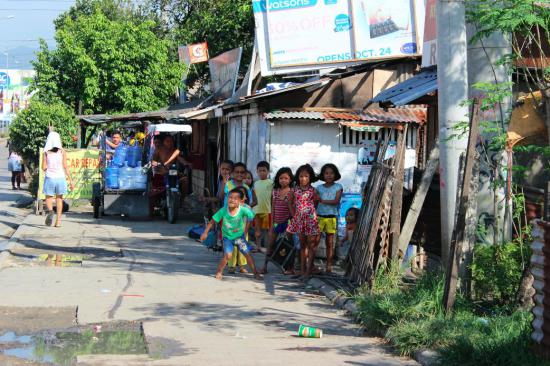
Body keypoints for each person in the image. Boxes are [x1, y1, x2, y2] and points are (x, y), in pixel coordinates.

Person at [200, 188, 262, 280]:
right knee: (228, 256)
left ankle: (255, 273)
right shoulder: (223, 210)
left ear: (241, 201)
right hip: (227, 238)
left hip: (240, 238)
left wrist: (256, 229)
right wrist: (205, 233)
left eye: (235, 198)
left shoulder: (243, 210)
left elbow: (253, 216)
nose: (232, 200)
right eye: (230, 197)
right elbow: (212, 221)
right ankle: (219, 271)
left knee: (247, 254)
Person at [287, 164, 319, 279]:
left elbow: (315, 204)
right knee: (302, 246)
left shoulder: (313, 190)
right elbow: (290, 203)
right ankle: (302, 271)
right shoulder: (294, 190)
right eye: (301, 176)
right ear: (298, 177)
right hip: (299, 220)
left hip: (311, 220)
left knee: (311, 245)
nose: (303, 178)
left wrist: (309, 213)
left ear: (310, 177)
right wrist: (294, 215)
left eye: (306, 176)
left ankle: (308, 272)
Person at [260, 167, 293, 274]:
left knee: (288, 246)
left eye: (286, 178)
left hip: (287, 223)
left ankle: (288, 268)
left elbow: (292, 209)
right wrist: (271, 226)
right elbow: (273, 209)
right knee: (270, 245)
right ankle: (264, 266)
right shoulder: (275, 192)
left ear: (290, 180)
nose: (283, 180)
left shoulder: (292, 192)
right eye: (281, 178)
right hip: (276, 223)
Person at [223, 163, 255, 273]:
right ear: (232, 173)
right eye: (237, 172)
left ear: (245, 174)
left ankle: (242, 265)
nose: (239, 174)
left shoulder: (246, 187)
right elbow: (224, 200)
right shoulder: (228, 185)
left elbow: (249, 203)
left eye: (242, 172)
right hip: (230, 218)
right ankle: (231, 265)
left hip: (242, 219)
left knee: (242, 242)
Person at [42, 132, 74, 227]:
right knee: (59, 199)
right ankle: (58, 221)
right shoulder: (62, 151)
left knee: (48, 197)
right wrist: (71, 180)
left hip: (50, 177)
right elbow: (65, 167)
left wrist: (49, 168)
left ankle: (51, 211)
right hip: (60, 178)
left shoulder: (46, 152)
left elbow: (43, 167)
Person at [316, 163, 343, 273]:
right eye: (326, 173)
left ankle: (328, 266)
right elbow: (314, 201)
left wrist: (322, 201)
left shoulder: (338, 187)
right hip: (319, 217)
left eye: (331, 173)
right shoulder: (318, 188)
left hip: (331, 217)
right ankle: (311, 264)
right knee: (315, 241)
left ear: (335, 174)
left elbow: (336, 201)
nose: (329, 175)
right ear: (323, 175)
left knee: (329, 243)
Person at [253, 161, 273, 251]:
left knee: (269, 231)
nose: (262, 172)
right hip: (256, 210)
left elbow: (273, 197)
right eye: (260, 171)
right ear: (257, 171)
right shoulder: (255, 183)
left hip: (267, 210)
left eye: (264, 170)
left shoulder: (271, 183)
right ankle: (258, 246)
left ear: (268, 172)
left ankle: (269, 248)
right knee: (257, 231)